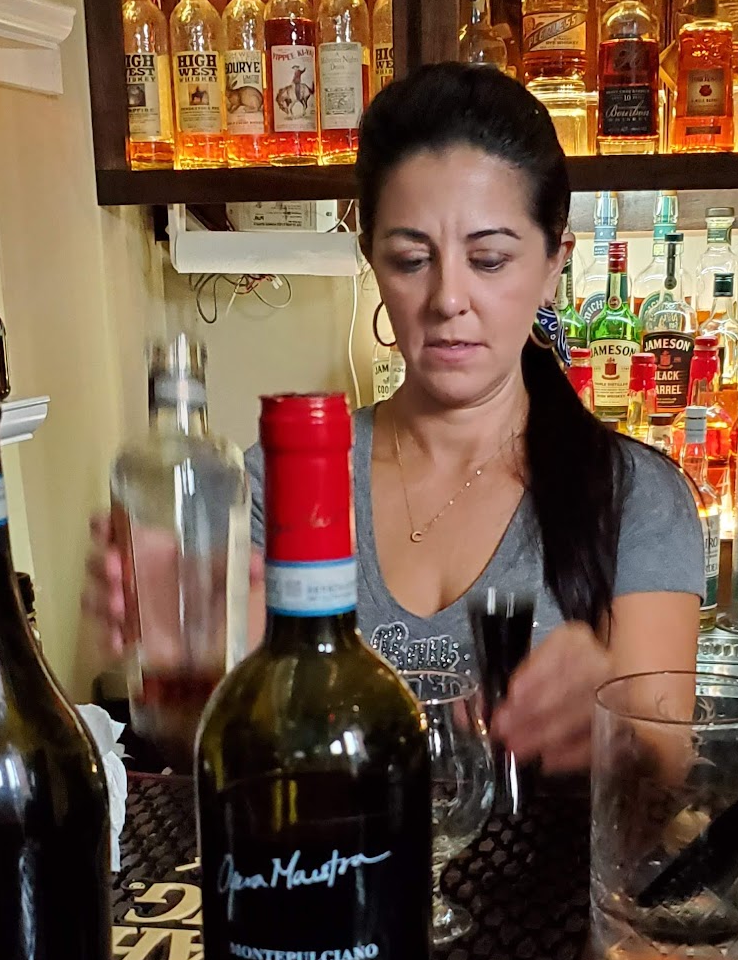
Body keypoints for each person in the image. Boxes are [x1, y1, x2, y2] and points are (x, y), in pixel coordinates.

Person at [85, 62, 704, 773]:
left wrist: (612, 728)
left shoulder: (636, 496)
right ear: (371, 259)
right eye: (412, 259)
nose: (448, 298)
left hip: (546, 852)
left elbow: (667, 771)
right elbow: (225, 751)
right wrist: (183, 675)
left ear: (552, 262)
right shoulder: (284, 482)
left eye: (489, 260)